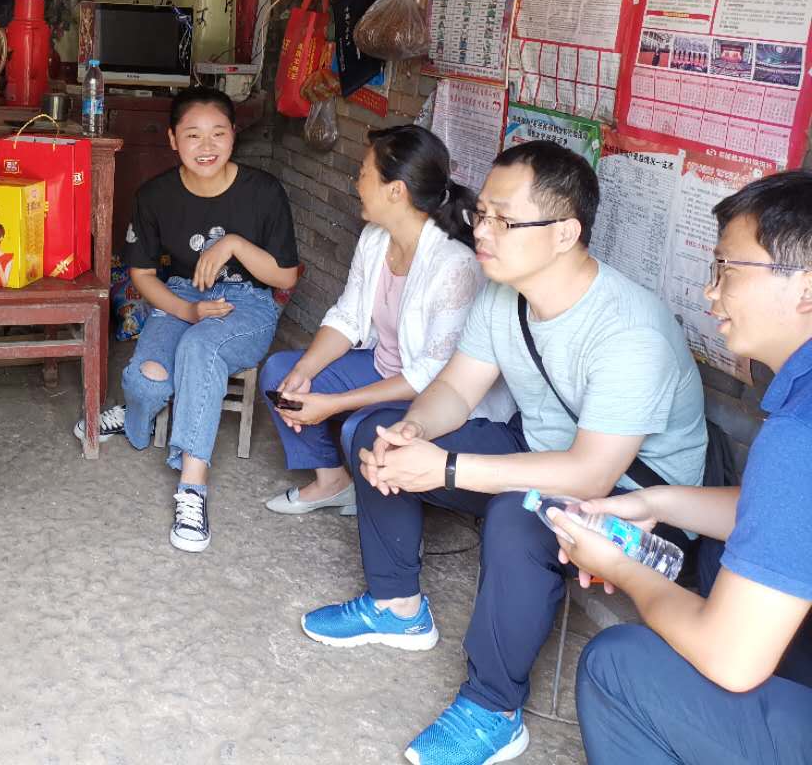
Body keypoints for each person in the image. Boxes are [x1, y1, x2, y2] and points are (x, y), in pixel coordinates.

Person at [301, 141, 708, 765]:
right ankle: (396, 606)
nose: (481, 231)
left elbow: (591, 472)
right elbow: (456, 390)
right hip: (538, 450)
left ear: (565, 233)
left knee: (518, 514)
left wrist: (446, 466)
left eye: (503, 220)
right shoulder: (504, 294)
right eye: (482, 214)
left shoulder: (630, 331)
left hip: (639, 502)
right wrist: (413, 430)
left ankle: (493, 709)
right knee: (372, 431)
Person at [561, 170, 812, 764]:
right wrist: (654, 502)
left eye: (727, 269)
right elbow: (783, 517)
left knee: (618, 665)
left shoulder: (799, 433)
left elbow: (730, 658)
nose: (709, 291)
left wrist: (622, 568)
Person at [74, 85, 299, 552]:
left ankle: (192, 489)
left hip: (248, 304)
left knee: (201, 346)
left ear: (234, 135)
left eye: (218, 133)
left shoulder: (263, 191)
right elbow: (141, 275)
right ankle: (134, 416)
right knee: (149, 380)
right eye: (193, 135)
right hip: (181, 294)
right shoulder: (156, 195)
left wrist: (234, 244)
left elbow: (284, 275)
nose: (207, 146)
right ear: (173, 139)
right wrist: (189, 311)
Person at [259, 126, 512, 518]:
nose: (356, 182)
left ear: (395, 190)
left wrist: (332, 404)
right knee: (282, 374)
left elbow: (431, 376)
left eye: (363, 173)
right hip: (383, 368)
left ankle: (391, 503)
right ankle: (333, 482)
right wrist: (304, 371)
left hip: (432, 395)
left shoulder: (454, 265)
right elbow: (347, 316)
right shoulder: (375, 238)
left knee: (358, 429)